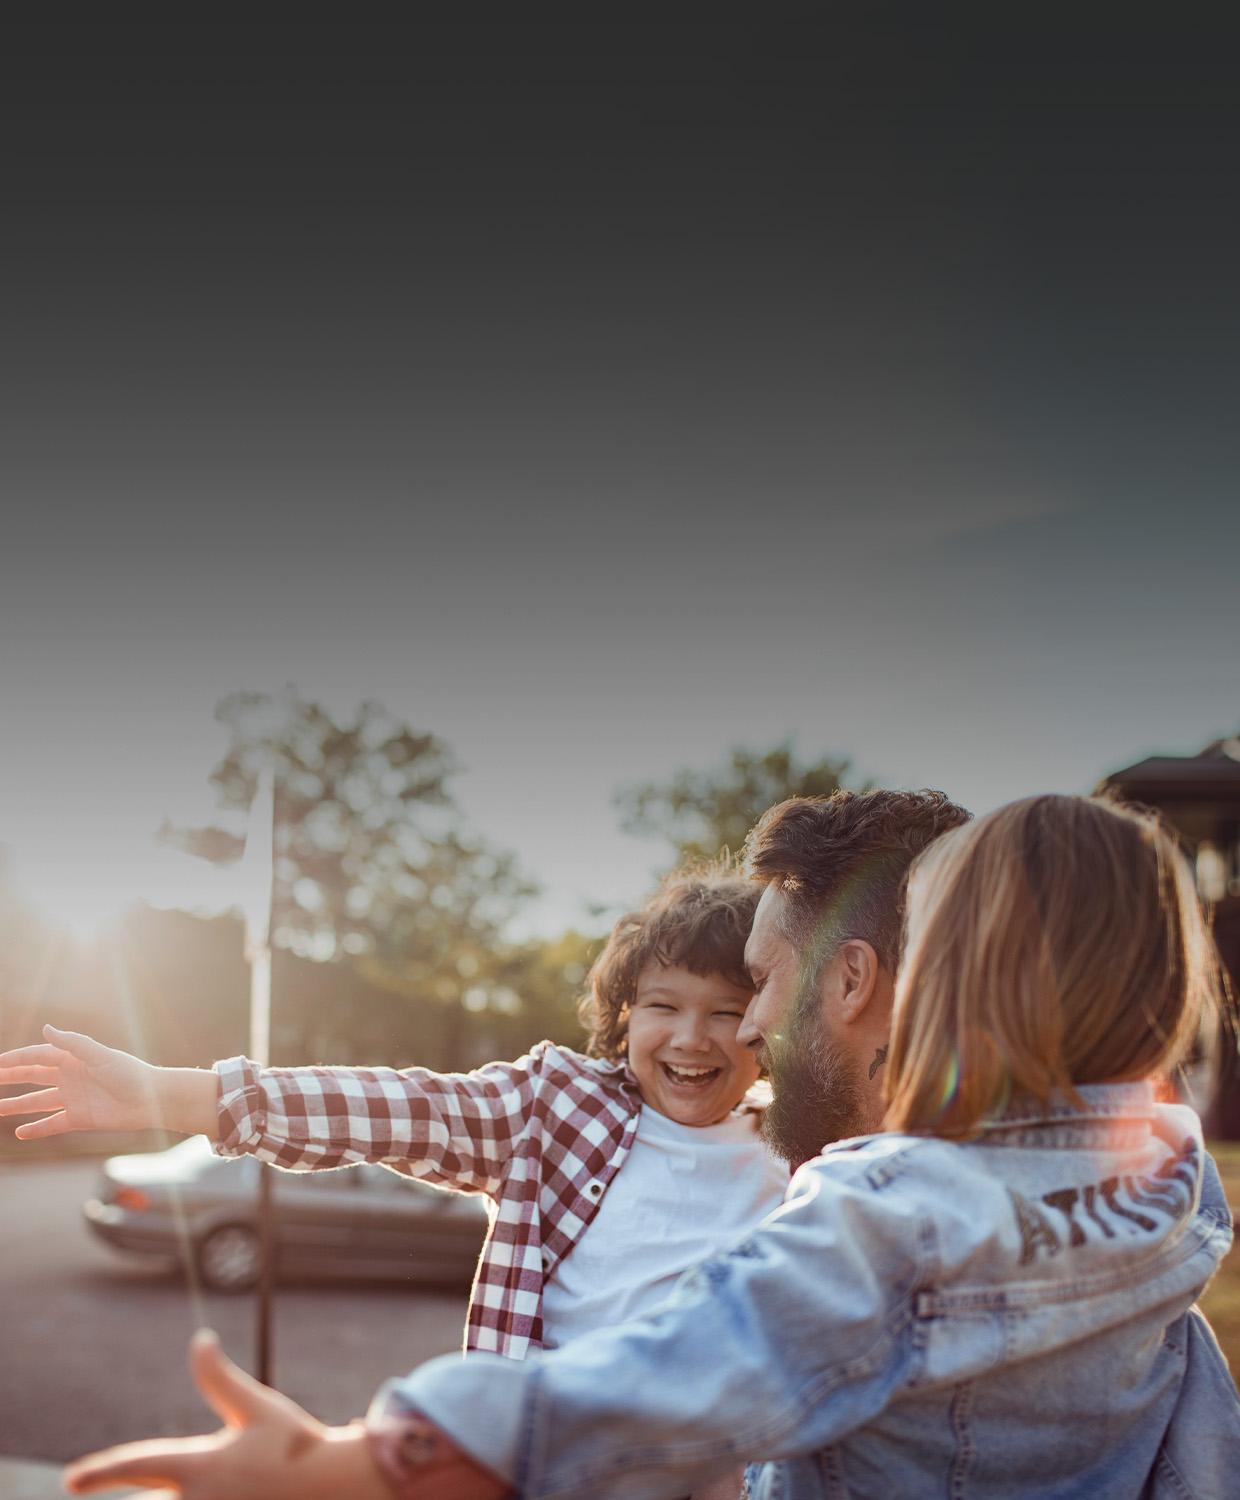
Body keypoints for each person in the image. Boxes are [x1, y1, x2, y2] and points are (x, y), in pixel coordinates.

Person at [57, 793, 1240, 1498]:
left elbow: (694, 1361)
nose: (740, 1029)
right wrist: (183, 1090)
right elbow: (1197, 1436)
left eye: (751, 995)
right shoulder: (1171, 1182)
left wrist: (361, 1464)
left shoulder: (889, 1205)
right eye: (665, 1007)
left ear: (900, 979)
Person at [0, 863, 794, 1500]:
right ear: (626, 1017)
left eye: (726, 1012)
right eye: (665, 1005)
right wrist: (166, 1095)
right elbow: (393, 1109)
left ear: (768, 1022)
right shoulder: (557, 1109)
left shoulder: (808, 1154)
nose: (693, 1038)